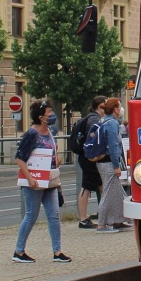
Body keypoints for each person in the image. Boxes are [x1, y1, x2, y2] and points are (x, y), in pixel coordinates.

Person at [12, 100, 70, 263]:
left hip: (49, 180)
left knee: (54, 215)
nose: (52, 115)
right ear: (40, 117)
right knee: (31, 215)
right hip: (35, 181)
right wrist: (30, 178)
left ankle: (57, 252)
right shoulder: (31, 134)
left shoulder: (50, 132)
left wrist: (56, 160)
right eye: (49, 112)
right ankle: (19, 251)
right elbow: (20, 158)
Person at [95, 97, 131, 233]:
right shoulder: (113, 123)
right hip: (109, 162)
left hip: (103, 161)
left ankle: (119, 220)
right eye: (120, 106)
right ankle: (101, 224)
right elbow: (113, 145)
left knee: (117, 192)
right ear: (116, 109)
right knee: (108, 192)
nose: (121, 109)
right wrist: (117, 166)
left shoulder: (104, 120)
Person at [74, 96, 105, 229]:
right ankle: (84, 218)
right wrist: (97, 156)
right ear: (100, 106)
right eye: (105, 104)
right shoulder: (94, 120)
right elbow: (94, 141)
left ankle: (98, 216)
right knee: (89, 187)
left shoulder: (91, 118)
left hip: (86, 157)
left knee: (97, 185)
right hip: (90, 158)